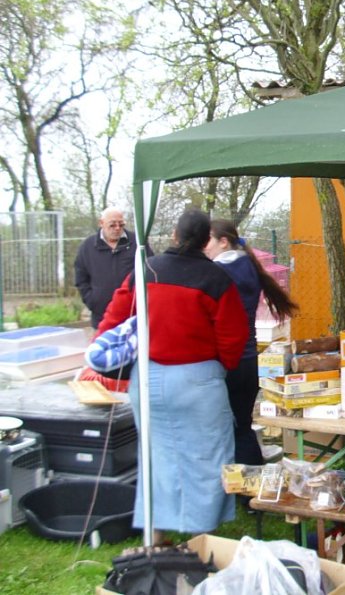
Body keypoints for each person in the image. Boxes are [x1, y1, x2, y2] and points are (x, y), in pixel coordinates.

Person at [97, 210, 249, 544]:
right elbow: (233, 335)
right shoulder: (216, 279)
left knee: (156, 456)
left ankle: (156, 534)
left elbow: (115, 318)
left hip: (147, 379)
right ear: (206, 240)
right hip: (198, 379)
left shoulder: (145, 271)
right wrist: (219, 368)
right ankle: (201, 538)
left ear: (175, 235)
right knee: (207, 457)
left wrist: (101, 356)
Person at [206, 219, 298, 465]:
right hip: (248, 359)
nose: (204, 247)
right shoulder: (246, 264)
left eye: (208, 241)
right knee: (243, 426)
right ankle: (250, 485)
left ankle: (246, 487)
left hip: (232, 360)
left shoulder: (222, 271)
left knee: (235, 429)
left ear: (223, 242)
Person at [74, 207, 152, 328]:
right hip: (102, 316)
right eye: (112, 225)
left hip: (133, 314)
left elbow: (151, 268)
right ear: (101, 223)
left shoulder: (138, 243)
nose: (117, 228)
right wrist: (92, 301)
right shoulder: (88, 247)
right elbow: (81, 277)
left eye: (121, 225)